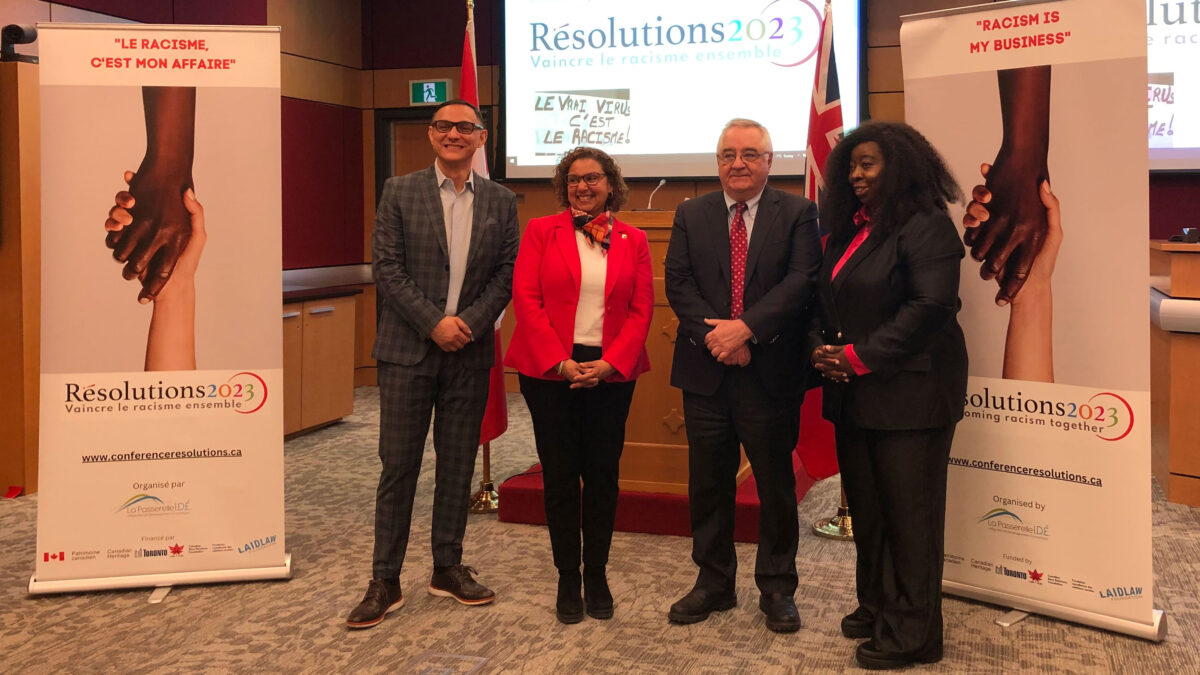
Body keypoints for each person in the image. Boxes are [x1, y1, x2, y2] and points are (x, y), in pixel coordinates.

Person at [347, 99, 520, 629]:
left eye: (464, 127)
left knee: (456, 465)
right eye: (444, 126)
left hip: (469, 352)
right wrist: (434, 323)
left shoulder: (501, 199)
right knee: (398, 466)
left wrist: (466, 321)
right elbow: (388, 268)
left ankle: (447, 566)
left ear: (481, 137)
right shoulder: (400, 191)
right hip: (408, 352)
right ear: (431, 134)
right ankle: (385, 579)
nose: (453, 134)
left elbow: (507, 272)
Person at [808, 121, 967, 669]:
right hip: (857, 396)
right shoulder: (851, 229)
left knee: (910, 517)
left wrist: (856, 357)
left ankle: (915, 633)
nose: (854, 174)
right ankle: (878, 605)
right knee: (871, 513)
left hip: (912, 397)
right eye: (850, 165)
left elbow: (930, 309)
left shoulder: (927, 226)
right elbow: (823, 300)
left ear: (900, 166)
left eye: (868, 164)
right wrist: (820, 351)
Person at [664, 118, 821, 633]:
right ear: (717, 162)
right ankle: (713, 583)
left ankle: (777, 588)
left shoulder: (798, 213)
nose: (738, 163)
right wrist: (720, 339)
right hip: (706, 371)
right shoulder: (691, 213)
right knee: (707, 484)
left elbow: (801, 283)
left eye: (750, 154)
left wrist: (746, 331)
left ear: (770, 162)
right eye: (728, 154)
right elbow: (679, 283)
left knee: (775, 486)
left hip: (769, 372)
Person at [505, 146, 654, 624]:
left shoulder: (633, 238)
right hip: (551, 371)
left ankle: (597, 572)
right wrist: (560, 363)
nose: (582, 186)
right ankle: (567, 575)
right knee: (561, 475)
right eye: (573, 179)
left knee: (604, 476)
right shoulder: (540, 232)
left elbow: (641, 310)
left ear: (611, 184)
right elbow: (526, 300)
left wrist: (610, 363)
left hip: (612, 372)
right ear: (563, 186)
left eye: (592, 178)